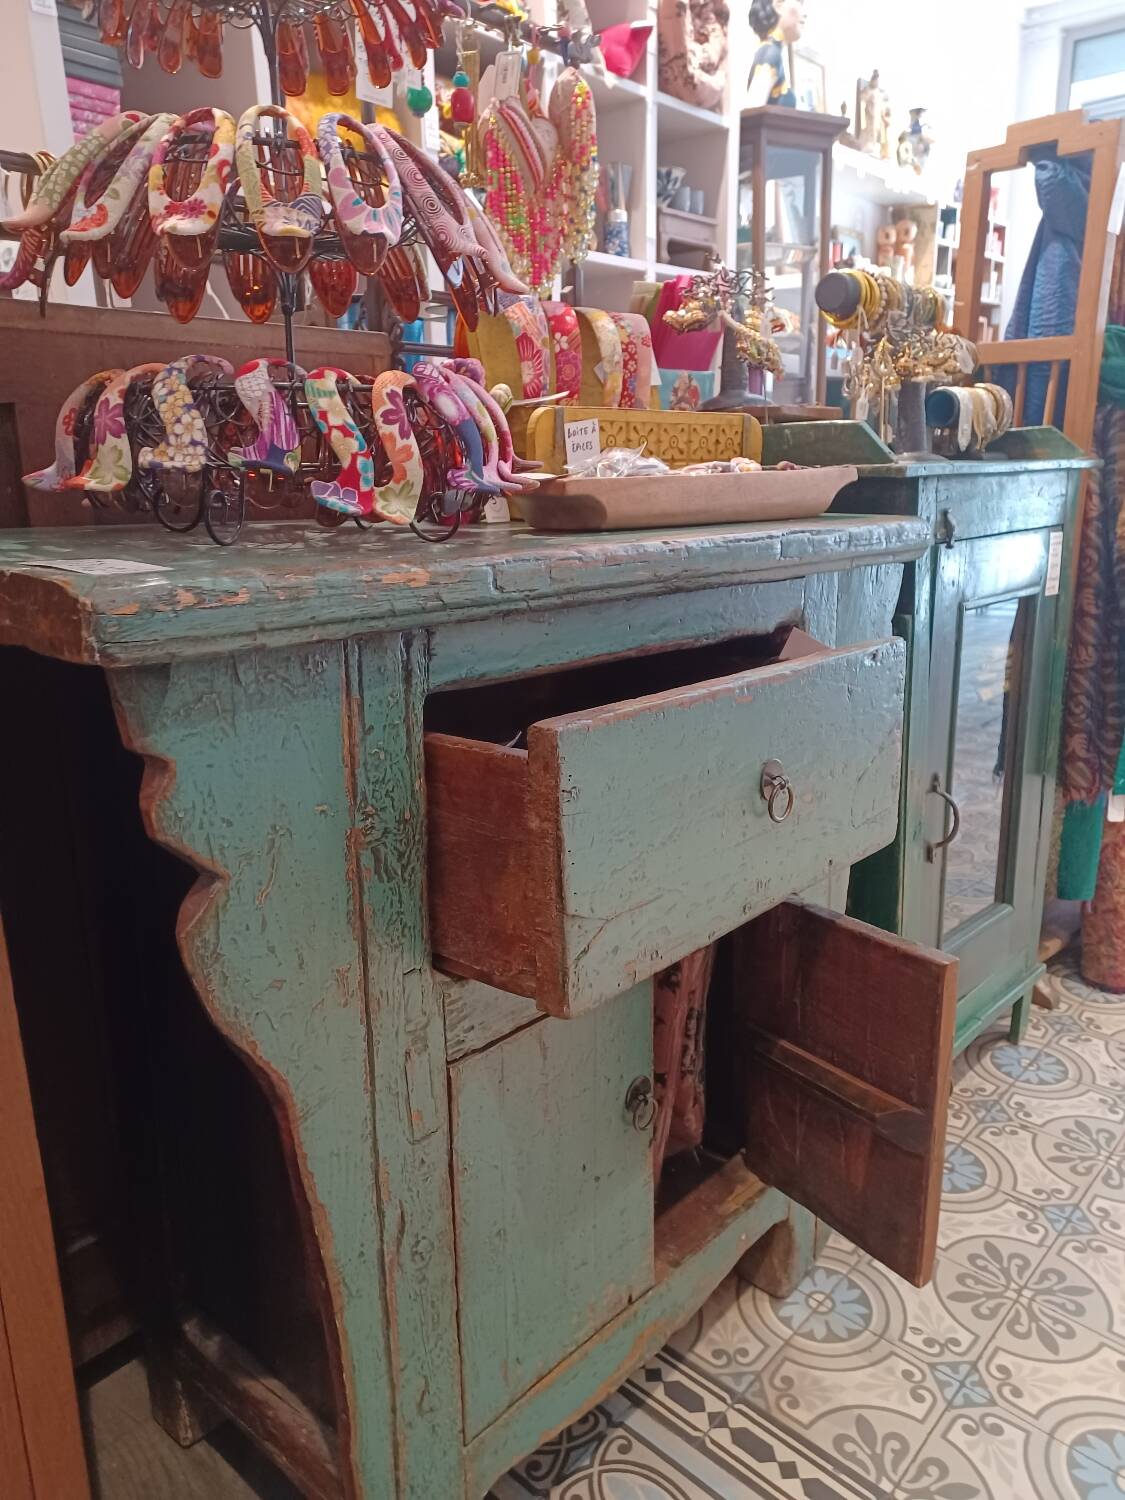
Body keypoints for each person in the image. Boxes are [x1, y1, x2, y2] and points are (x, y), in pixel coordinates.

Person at [747, 0, 805, 108]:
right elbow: (753, 108)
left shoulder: (772, 51)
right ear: (778, 3)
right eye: (800, 2)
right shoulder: (771, 53)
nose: (805, 13)